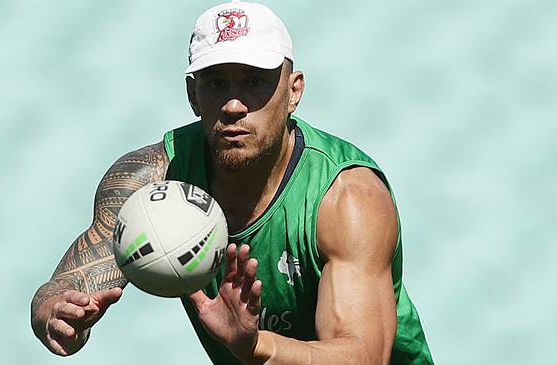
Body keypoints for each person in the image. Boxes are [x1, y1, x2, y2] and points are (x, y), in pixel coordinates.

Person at [30, 1, 434, 364]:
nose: (234, 105)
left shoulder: (346, 197)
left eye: (255, 81)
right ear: (193, 93)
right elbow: (62, 288)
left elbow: (363, 358)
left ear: (294, 92)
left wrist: (254, 346)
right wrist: (57, 314)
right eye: (216, 83)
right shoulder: (152, 179)